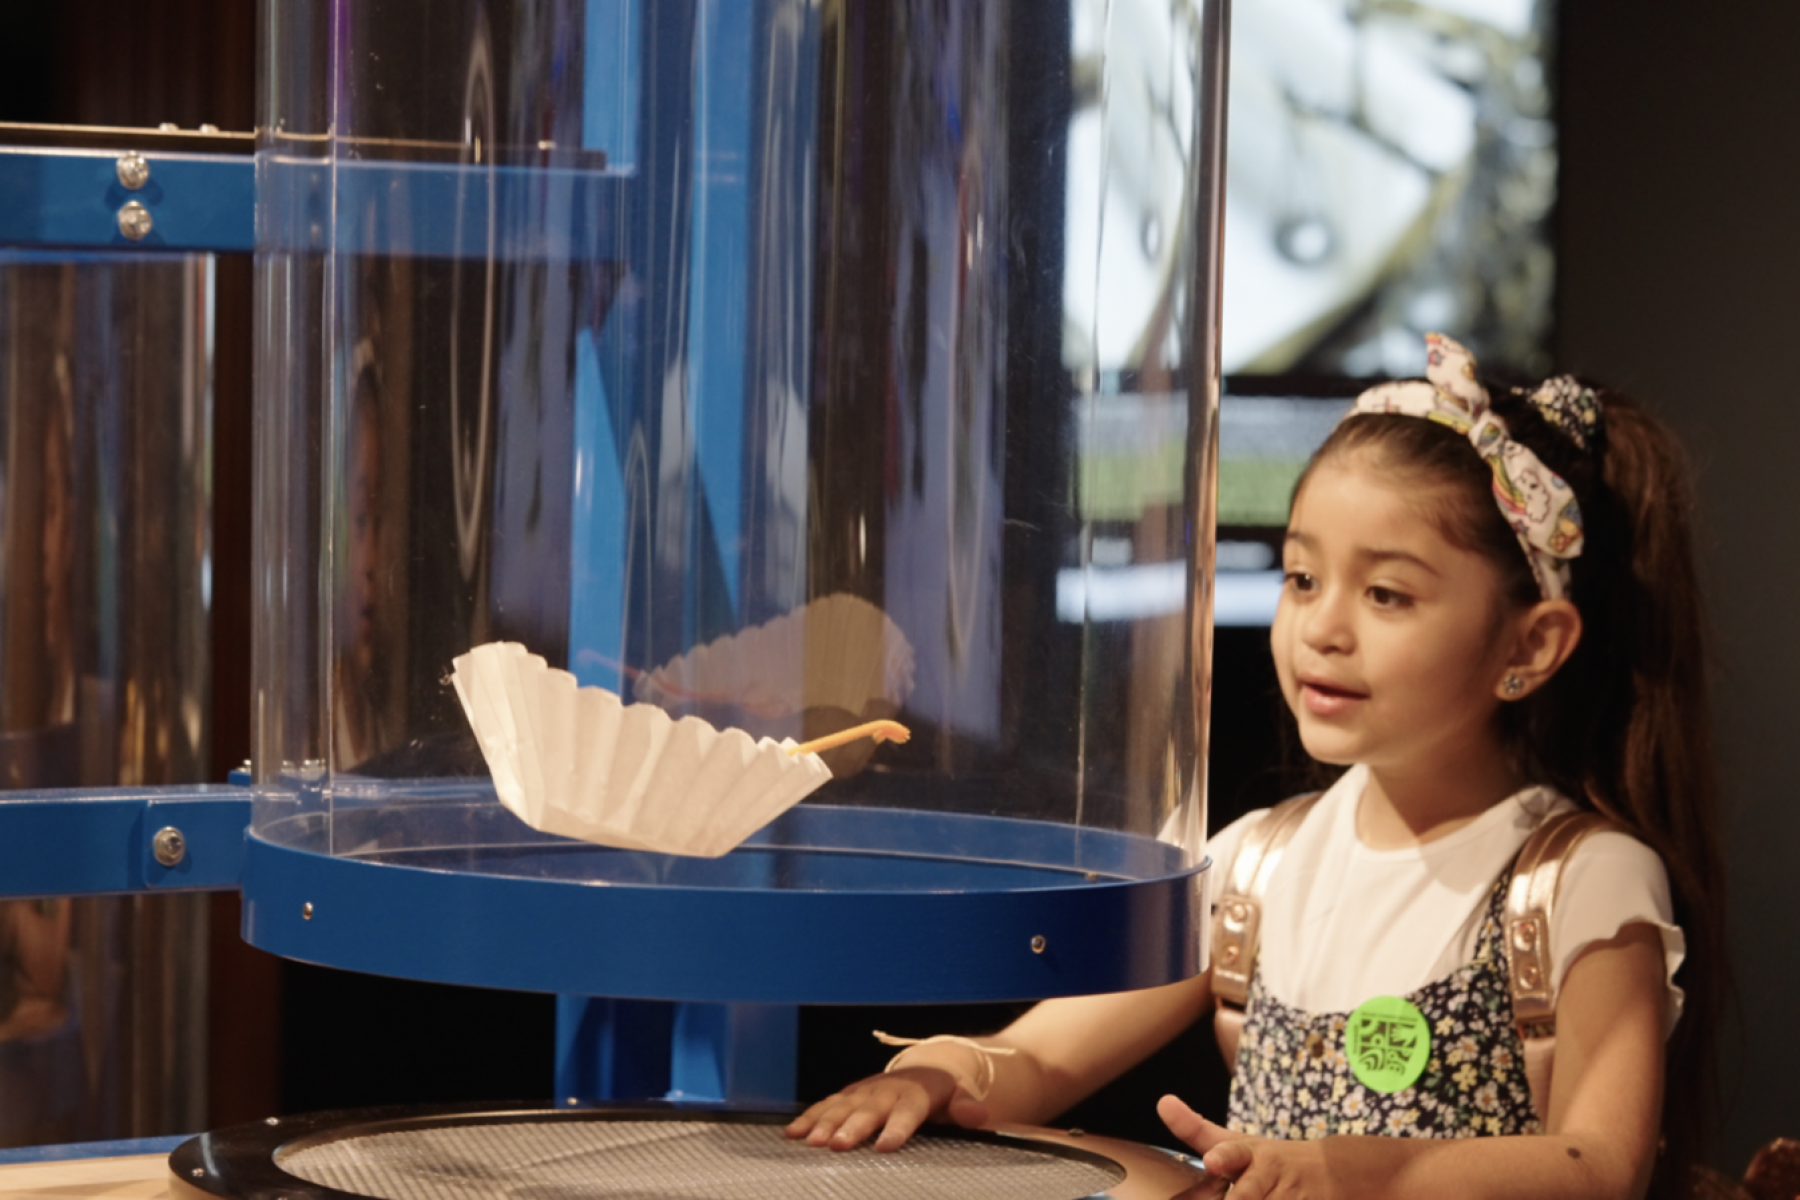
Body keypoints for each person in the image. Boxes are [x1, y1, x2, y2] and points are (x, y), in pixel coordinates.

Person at [786, 334, 1725, 1200]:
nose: (1322, 627)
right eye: (1301, 577)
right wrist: (938, 1074)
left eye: (1387, 593)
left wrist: (1351, 1173)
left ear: (1533, 644)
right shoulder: (1257, 868)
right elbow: (1042, 1058)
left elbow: (1599, 1161)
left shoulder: (1581, 879)